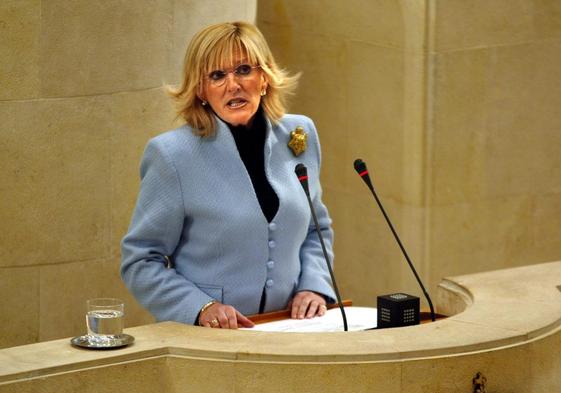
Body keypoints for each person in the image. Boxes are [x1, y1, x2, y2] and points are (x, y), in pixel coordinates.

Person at [121, 21, 335, 329]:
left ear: (264, 77)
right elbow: (140, 261)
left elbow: (316, 229)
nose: (233, 85)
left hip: (289, 329)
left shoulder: (300, 133)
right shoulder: (172, 155)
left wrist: (313, 285)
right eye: (217, 76)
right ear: (201, 90)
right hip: (208, 339)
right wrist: (200, 308)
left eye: (244, 70)